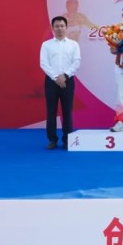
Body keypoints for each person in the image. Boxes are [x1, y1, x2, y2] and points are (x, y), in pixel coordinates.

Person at [40, 16, 81, 149]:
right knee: (51, 112)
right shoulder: (46, 45)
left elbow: (76, 62)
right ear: (52, 28)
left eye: (62, 26)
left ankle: (67, 140)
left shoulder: (73, 44)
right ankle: (52, 140)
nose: (59, 28)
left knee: (67, 112)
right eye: (57, 26)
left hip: (68, 81)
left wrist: (65, 76)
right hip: (51, 81)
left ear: (66, 27)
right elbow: (43, 63)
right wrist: (56, 78)